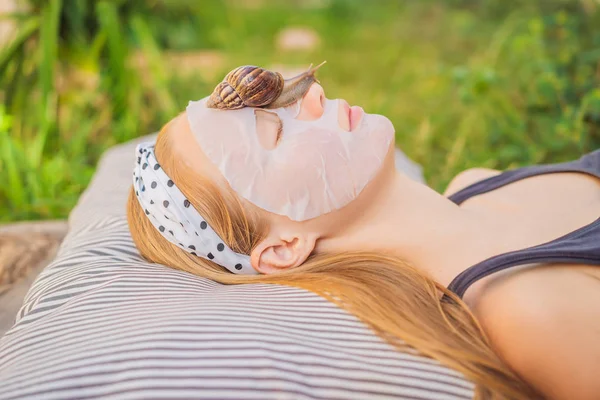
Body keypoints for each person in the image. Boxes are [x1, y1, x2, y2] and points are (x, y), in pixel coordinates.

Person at [126, 68, 600, 400]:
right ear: (285, 248)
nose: (312, 97)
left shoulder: (473, 182)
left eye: (278, 101)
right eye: (274, 133)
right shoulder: (530, 310)